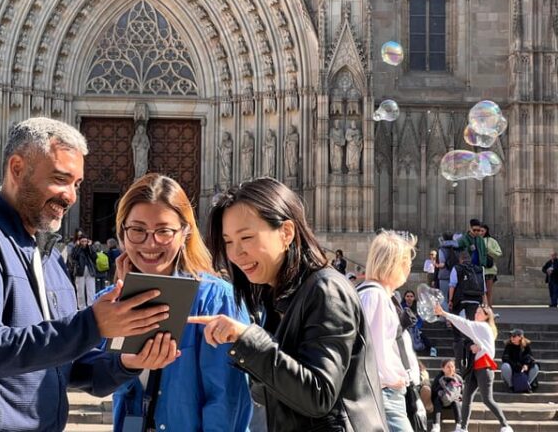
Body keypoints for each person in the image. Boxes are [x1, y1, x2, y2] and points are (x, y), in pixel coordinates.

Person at [0, 117, 180, 432]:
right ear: (16, 168)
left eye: (77, 184)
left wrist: (127, 363)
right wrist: (92, 324)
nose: (70, 196)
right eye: (60, 178)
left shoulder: (49, 258)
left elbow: (64, 364)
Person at [192, 177, 387, 431]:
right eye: (228, 241)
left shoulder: (326, 291)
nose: (236, 253)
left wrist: (249, 340)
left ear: (286, 232)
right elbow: (276, 394)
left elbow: (319, 394)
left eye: (247, 237)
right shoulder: (276, 298)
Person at [106, 174, 252, 431]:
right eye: (138, 230)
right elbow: (98, 378)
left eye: (163, 231)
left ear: (185, 232)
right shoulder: (109, 302)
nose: (150, 243)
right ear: (122, 233)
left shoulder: (216, 300)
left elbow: (226, 402)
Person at [358, 231, 422, 432]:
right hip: (384, 393)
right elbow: (372, 348)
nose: (408, 267)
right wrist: (392, 378)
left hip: (389, 392)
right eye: (405, 261)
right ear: (391, 263)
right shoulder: (373, 296)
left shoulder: (382, 295)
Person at [434, 303, 512, 432]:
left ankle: (505, 425)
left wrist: (444, 313)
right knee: (466, 399)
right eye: (476, 311)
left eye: (480, 312)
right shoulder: (481, 328)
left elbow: (465, 324)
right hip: (475, 368)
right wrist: (475, 346)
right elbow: (471, 336)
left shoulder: (484, 326)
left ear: (487, 316)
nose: (476, 314)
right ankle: (463, 428)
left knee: (487, 399)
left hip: (484, 368)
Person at [448, 250, 486, 371]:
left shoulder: (457, 268)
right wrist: (485, 304)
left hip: (461, 300)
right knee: (472, 333)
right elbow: (483, 289)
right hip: (475, 301)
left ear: (460, 259)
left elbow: (452, 285)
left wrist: (450, 300)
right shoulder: (479, 269)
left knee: (456, 333)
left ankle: (459, 363)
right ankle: (471, 362)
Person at [430, 358, 463, 432]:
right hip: (442, 400)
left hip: (454, 401)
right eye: (448, 367)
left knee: (456, 401)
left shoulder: (458, 378)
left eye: (452, 366)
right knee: (437, 400)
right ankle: (436, 425)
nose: (451, 369)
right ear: (443, 368)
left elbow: (462, 392)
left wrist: (459, 397)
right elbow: (434, 391)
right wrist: (441, 390)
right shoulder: (439, 378)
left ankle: (459, 426)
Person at [71, 233, 97, 309]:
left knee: (91, 290)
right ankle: (81, 307)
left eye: (85, 241)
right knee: (80, 291)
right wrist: (78, 246)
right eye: (82, 241)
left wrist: (90, 246)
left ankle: (91, 306)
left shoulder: (90, 248)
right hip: (80, 271)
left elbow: (94, 257)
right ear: (79, 241)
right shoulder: (76, 248)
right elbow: (74, 256)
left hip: (90, 270)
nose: (84, 243)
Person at [480, 224, 502, 308]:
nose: (481, 233)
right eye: (479, 231)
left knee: (488, 292)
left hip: (489, 270)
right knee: (481, 292)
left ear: (486, 231)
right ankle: (483, 309)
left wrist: (489, 250)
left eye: (483, 231)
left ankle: (489, 309)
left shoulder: (491, 241)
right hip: (478, 269)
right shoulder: (475, 240)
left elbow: (499, 253)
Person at [436, 233, 459, 309]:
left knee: (444, 298)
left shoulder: (442, 249)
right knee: (454, 298)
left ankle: (446, 318)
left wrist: (437, 265)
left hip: (444, 275)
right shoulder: (457, 248)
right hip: (456, 274)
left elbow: (442, 264)